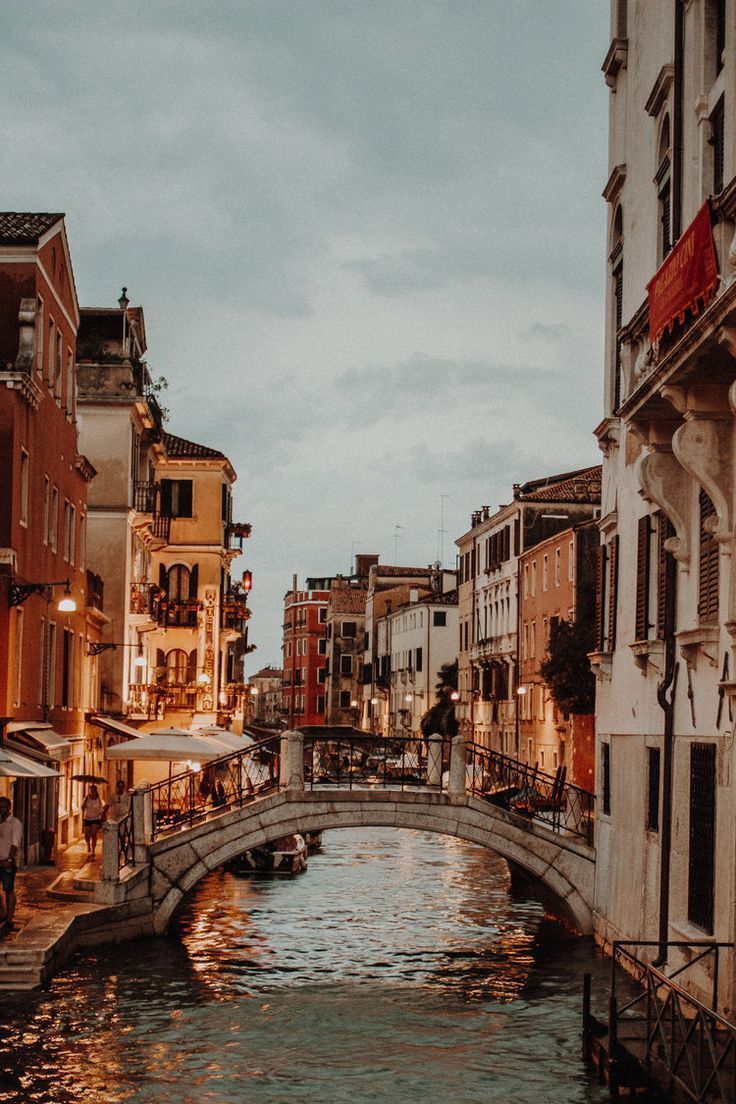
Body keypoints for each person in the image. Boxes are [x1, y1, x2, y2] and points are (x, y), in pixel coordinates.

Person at [0, 797, 22, 929]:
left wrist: (9, 859)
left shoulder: (15, 823)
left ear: (9, 807)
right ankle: (2, 912)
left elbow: (15, 843)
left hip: (8, 861)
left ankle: (9, 918)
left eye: (3, 807)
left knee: (8, 889)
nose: (1, 809)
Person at [81, 784, 104, 857]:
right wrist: (85, 801)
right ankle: (88, 845)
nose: (92, 792)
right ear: (89, 791)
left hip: (96, 818)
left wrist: (102, 817)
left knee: (93, 834)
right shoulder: (86, 798)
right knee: (87, 835)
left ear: (96, 791)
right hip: (87, 818)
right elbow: (82, 807)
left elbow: (101, 809)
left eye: (94, 790)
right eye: (91, 790)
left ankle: (93, 850)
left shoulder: (99, 799)